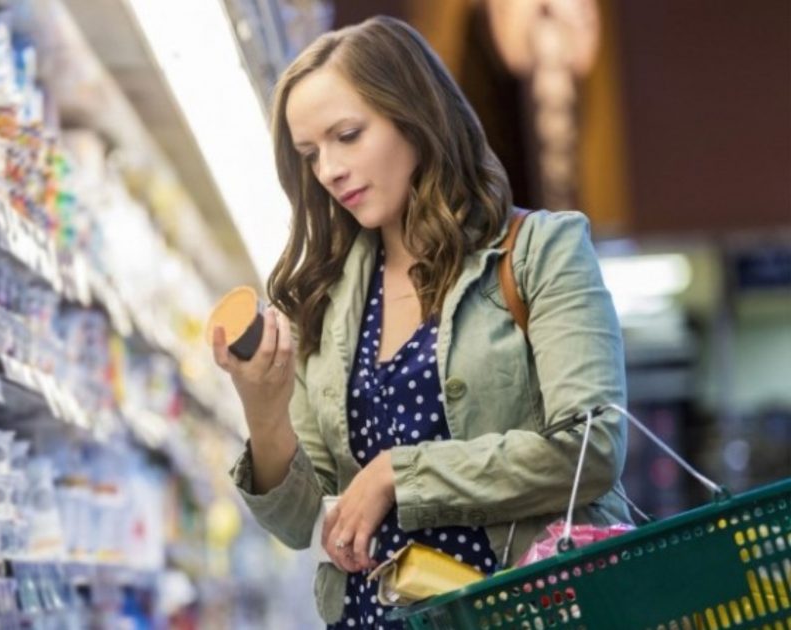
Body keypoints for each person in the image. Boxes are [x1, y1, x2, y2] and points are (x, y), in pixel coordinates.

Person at [210, 15, 631, 628]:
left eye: (347, 135)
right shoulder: (326, 302)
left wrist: (396, 475)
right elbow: (304, 522)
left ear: (415, 117)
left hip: (524, 611)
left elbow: (589, 447)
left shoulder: (542, 252)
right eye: (311, 153)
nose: (328, 170)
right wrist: (264, 411)